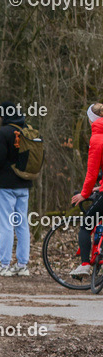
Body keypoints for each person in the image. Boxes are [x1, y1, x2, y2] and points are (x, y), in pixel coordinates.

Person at [0, 101, 32, 276]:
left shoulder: (2, 133)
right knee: (22, 224)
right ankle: (22, 265)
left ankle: (4, 265)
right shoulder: (28, 131)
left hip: (5, 186)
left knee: (6, 225)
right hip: (24, 185)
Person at [69, 104, 103, 278]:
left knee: (86, 224)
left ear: (91, 120)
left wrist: (84, 193)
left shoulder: (97, 138)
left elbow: (91, 172)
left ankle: (84, 265)